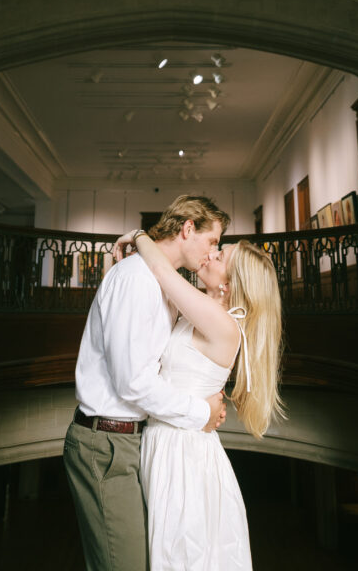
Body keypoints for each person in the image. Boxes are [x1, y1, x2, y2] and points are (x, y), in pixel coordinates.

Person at [63, 195, 230, 571]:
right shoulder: (135, 279)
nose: (212, 252)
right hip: (104, 444)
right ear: (188, 228)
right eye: (212, 241)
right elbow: (132, 383)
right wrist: (200, 411)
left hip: (132, 441)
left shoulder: (164, 285)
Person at [112, 228, 284, 571]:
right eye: (216, 249)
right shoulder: (200, 310)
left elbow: (163, 272)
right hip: (168, 440)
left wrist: (139, 235)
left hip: (183, 456)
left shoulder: (223, 325)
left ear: (229, 286)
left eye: (220, 257)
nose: (211, 254)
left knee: (180, 556)